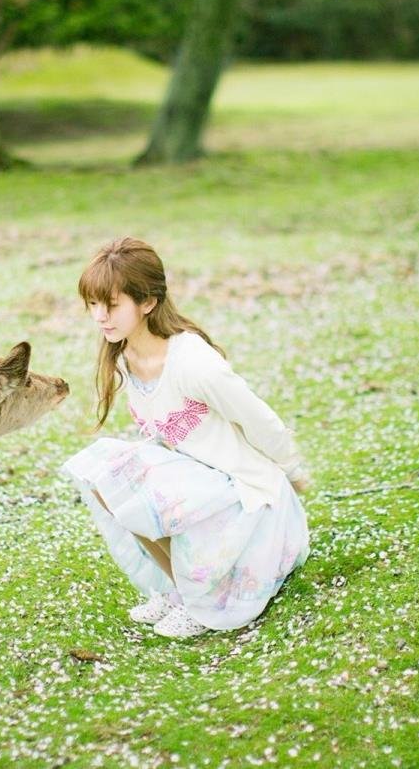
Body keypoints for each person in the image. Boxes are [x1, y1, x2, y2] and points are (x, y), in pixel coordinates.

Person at [61, 237, 311, 638]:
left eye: (111, 305)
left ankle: (199, 602)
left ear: (147, 302)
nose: (100, 317)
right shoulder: (125, 356)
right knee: (108, 478)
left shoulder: (193, 362)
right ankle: (181, 591)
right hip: (199, 484)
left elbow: (259, 418)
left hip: (243, 491)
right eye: (93, 304)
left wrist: (293, 472)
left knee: (132, 478)